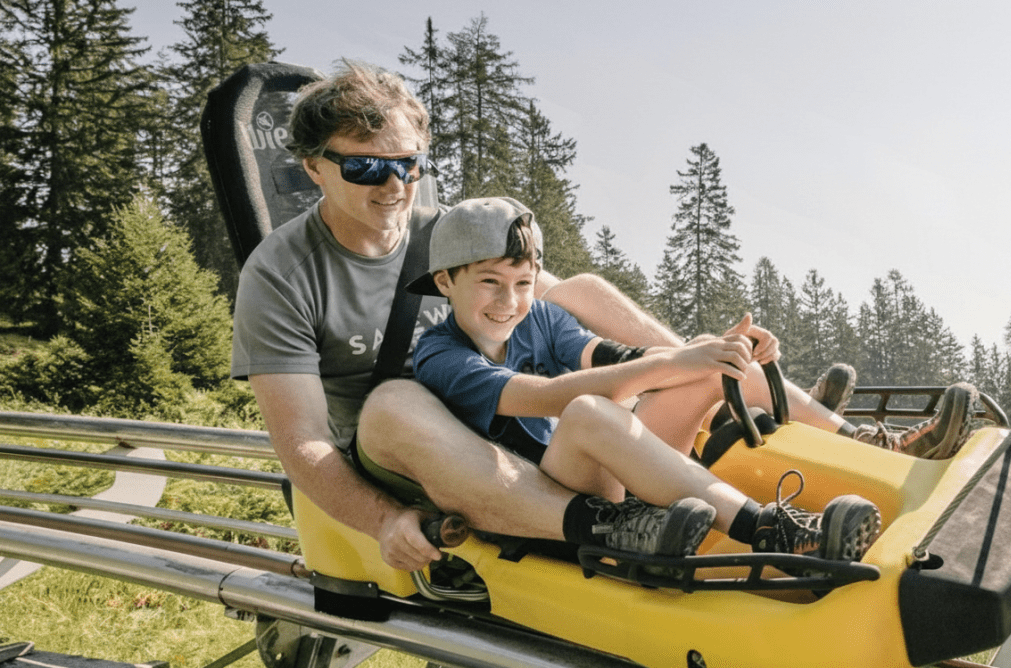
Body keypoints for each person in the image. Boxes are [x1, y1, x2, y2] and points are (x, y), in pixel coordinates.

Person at [231, 60, 973, 574]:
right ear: (315, 168)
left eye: (408, 164)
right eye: (366, 167)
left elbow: (557, 315)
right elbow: (305, 447)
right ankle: (607, 527)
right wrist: (382, 520)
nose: (393, 185)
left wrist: (698, 358)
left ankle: (864, 444)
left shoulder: (448, 234)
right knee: (396, 402)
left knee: (579, 288)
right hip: (409, 454)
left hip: (517, 429)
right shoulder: (282, 274)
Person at [406, 196, 884, 560]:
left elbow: (613, 357)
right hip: (550, 508)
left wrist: (713, 353)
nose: (509, 301)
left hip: (610, 477)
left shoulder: (543, 319)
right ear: (445, 281)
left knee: (705, 368)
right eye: (490, 281)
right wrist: (677, 361)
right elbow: (549, 396)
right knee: (588, 411)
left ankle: (865, 447)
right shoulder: (440, 355)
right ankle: (769, 529)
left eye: (524, 283)